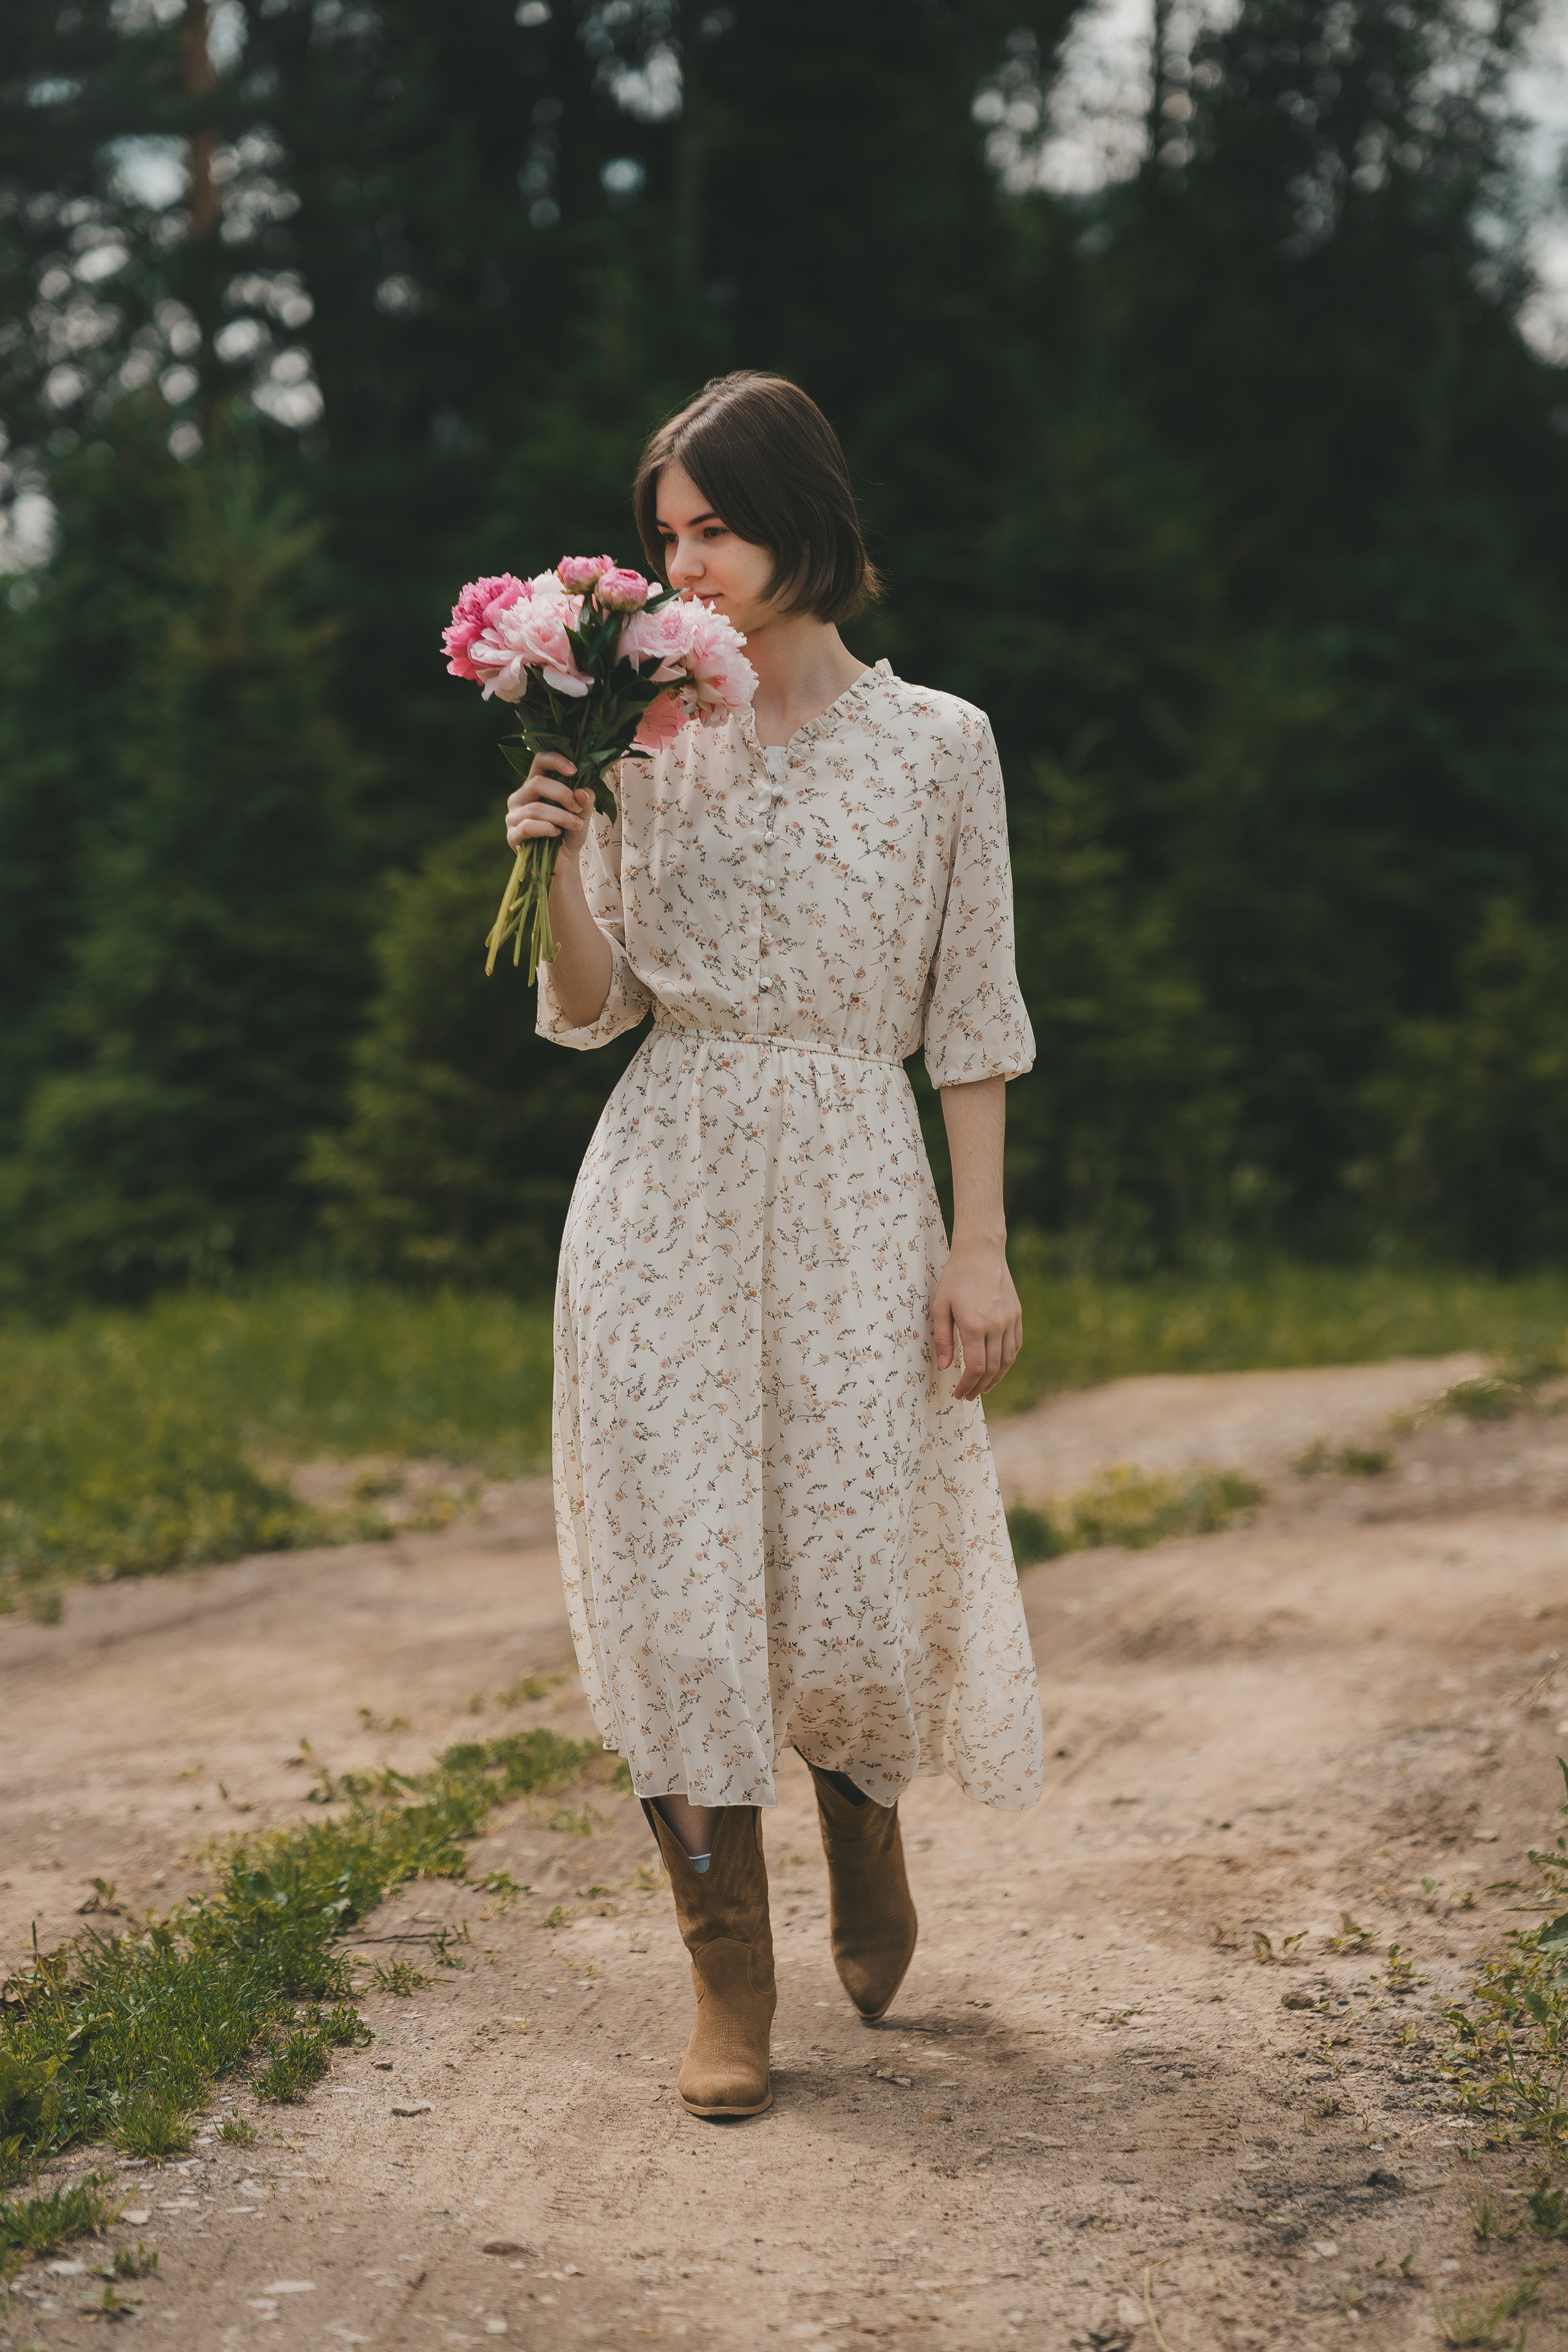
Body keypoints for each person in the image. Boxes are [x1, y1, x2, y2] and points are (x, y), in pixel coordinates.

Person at [509, 371, 1044, 2120]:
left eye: (715, 528)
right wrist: (564, 859)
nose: (689, 565)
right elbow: (594, 1017)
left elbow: (972, 1019)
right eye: (668, 537)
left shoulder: (939, 745)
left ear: (802, 521)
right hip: (667, 1174)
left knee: (845, 1551)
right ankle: (725, 1973)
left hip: (854, 1179)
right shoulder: (642, 737)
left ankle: (864, 1826)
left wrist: (980, 1247)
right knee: (680, 1572)